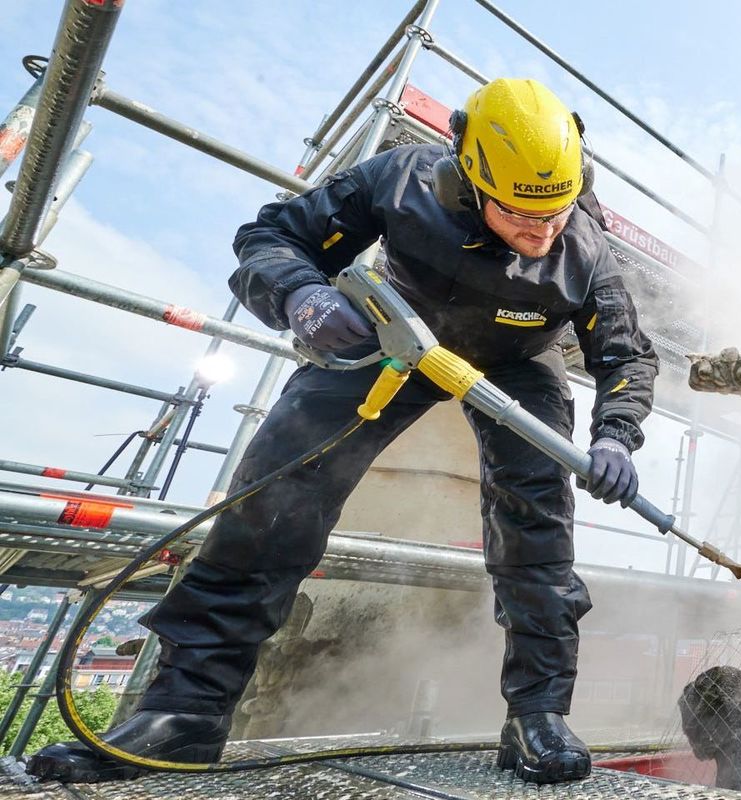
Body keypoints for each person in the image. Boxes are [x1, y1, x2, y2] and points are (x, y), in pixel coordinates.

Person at [29, 77, 658, 785]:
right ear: (468, 176)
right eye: (518, 213)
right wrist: (301, 294)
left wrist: (615, 435)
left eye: (555, 212)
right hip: (395, 334)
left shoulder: (588, 249)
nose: (541, 232)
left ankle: (536, 715)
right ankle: (185, 712)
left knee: (537, 529)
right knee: (274, 498)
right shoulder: (401, 179)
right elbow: (272, 235)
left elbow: (626, 356)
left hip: (518, 363)